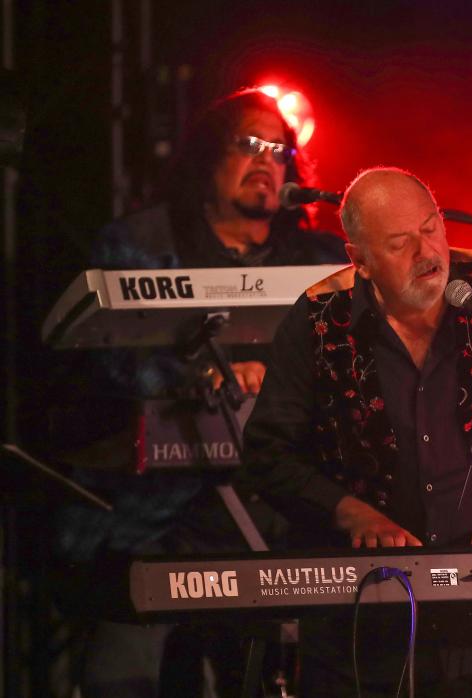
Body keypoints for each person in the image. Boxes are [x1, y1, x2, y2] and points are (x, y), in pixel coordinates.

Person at [238, 166, 472, 696]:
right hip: (361, 624)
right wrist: (349, 511)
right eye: (401, 243)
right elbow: (268, 453)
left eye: (431, 228)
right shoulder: (317, 321)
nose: (426, 252)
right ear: (359, 260)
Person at [51, 88, 349, 697]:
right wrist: (199, 378)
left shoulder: (322, 260)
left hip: (283, 518)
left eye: (280, 150)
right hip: (157, 519)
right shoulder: (140, 243)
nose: (266, 160)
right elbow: (111, 362)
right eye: (248, 143)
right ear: (206, 156)